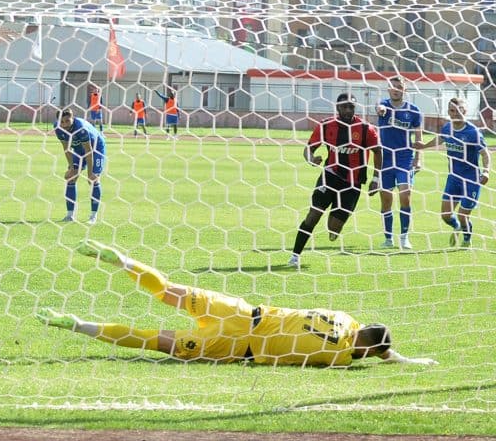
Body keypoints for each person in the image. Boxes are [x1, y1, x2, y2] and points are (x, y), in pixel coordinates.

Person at [37, 240, 438, 367]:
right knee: (153, 340)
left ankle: (123, 260)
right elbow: (378, 351)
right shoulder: (342, 357)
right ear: (366, 347)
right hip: (236, 347)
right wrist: (411, 361)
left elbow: (372, 339)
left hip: (242, 311)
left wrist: (381, 345)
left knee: (169, 291)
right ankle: (75, 324)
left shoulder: (344, 317)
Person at [288, 93, 382, 268]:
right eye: (344, 106)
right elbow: (309, 149)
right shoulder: (326, 125)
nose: (348, 110)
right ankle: (294, 256)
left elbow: (378, 151)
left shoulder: (365, 128)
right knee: (313, 215)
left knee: (333, 231)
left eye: (351, 107)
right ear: (337, 107)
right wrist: (311, 158)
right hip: (329, 176)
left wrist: (376, 178)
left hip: (353, 182)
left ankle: (334, 216)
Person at [414, 98, 491, 248]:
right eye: (452, 110)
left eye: (459, 110)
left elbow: (485, 154)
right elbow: (440, 139)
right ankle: (456, 226)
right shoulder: (447, 128)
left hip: (471, 181)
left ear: (465, 111)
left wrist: (486, 171)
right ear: (448, 112)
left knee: (463, 215)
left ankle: (467, 238)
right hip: (453, 179)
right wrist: (424, 146)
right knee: (445, 215)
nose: (456, 113)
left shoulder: (472, 132)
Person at [375, 76, 423, 250]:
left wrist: (418, 158)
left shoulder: (414, 111)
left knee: (405, 196)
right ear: (388, 89)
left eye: (399, 87)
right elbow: (378, 108)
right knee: (386, 200)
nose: (395, 89)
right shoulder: (384, 106)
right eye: (392, 87)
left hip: (404, 158)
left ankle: (404, 237)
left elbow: (418, 137)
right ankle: (388, 238)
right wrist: (379, 109)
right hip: (385, 159)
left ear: (405, 90)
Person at [54, 107, 105, 224]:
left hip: (96, 149)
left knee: (92, 180)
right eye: (62, 122)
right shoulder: (58, 129)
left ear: (73, 118)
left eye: (67, 121)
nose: (65, 124)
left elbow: (89, 151)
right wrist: (72, 168)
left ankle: (93, 217)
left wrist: (90, 172)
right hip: (78, 150)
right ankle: (70, 216)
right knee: (71, 178)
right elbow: (66, 148)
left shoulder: (81, 128)